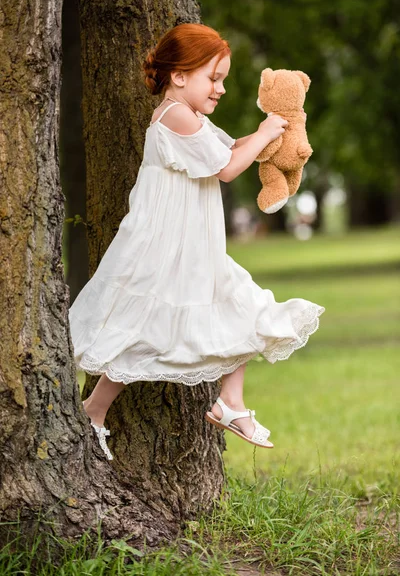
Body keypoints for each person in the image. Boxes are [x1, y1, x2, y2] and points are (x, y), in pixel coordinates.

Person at [69, 23, 325, 460]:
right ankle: (94, 411)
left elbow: (233, 148)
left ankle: (230, 402)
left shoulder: (194, 120)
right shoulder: (174, 115)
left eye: (223, 78)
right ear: (180, 76)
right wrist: (264, 134)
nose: (221, 88)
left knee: (242, 305)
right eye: (214, 77)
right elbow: (226, 167)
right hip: (164, 246)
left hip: (192, 248)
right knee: (141, 328)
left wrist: (278, 136)